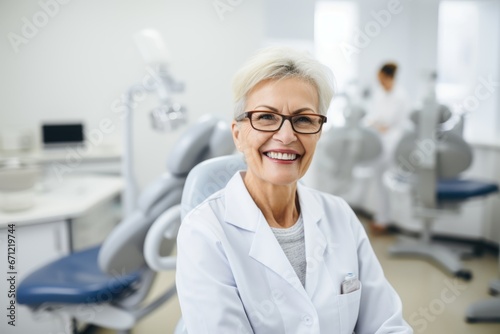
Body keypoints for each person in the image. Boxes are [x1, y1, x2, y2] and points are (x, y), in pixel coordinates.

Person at [176, 47, 413, 333]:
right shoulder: (203, 232)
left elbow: (386, 324)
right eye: (265, 117)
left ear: (319, 132)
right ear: (238, 135)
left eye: (303, 120)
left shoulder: (339, 215)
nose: (287, 136)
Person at [363, 62, 410, 233]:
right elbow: (375, 118)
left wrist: (376, 124)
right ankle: (382, 218)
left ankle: (386, 220)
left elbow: (387, 123)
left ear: (388, 77)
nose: (380, 82)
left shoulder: (400, 95)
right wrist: (375, 123)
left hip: (392, 143)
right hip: (379, 141)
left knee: (387, 180)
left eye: (381, 79)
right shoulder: (380, 94)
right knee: (378, 181)